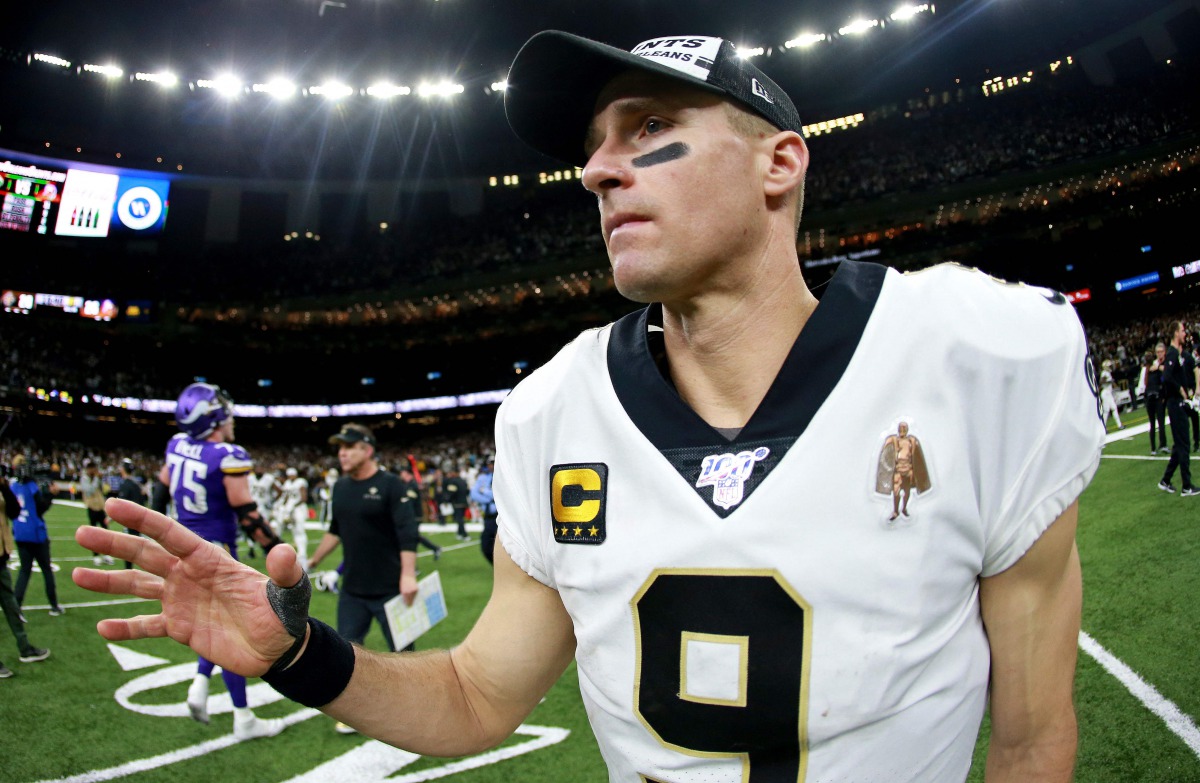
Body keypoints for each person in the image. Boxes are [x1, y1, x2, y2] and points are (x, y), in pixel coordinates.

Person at [76, 31, 1105, 783]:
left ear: (779, 163)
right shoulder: (552, 414)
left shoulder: (972, 355)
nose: (598, 168)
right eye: (596, 143)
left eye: (650, 129)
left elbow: (1027, 740)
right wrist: (301, 656)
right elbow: (479, 698)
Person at [154, 382, 288, 740]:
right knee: (230, 630)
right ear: (214, 418)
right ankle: (242, 718)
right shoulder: (227, 455)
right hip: (216, 550)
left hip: (184, 546)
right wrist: (278, 549)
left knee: (215, 622)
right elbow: (247, 515)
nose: (231, 418)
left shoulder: (176, 445)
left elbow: (162, 486)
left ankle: (200, 684)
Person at [305, 423, 419, 733]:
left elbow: (407, 533)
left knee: (404, 653)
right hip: (353, 588)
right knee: (347, 651)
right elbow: (336, 529)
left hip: (390, 588)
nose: (341, 452)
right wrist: (314, 559)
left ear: (367, 450)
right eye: (340, 447)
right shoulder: (340, 487)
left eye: (349, 446)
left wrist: (408, 575)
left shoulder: (391, 485)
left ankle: (410, 708)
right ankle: (357, 712)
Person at [0, 476, 50, 678]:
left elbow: (14, 512)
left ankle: (24, 647)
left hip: (1, 556)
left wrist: (4, 487)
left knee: (11, 606)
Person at [9, 456, 63, 616]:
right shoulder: (31, 487)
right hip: (36, 534)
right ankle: (54, 605)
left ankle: (16, 606)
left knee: (24, 571)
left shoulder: (13, 487)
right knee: (46, 570)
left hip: (20, 533)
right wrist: (51, 494)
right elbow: (41, 508)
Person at [1157, 322, 1199, 495]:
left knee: (1179, 444)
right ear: (1175, 333)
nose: (1184, 333)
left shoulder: (1178, 353)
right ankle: (1187, 486)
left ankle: (1166, 480)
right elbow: (1166, 377)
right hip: (1175, 404)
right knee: (1183, 444)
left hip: (1178, 403)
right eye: (1182, 331)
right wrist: (1180, 389)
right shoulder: (1172, 353)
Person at [113, 459, 146, 570]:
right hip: (138, 519)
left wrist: (111, 517)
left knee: (128, 548)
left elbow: (122, 504)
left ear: (123, 469)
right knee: (136, 546)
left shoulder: (126, 484)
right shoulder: (136, 484)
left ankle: (129, 571)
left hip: (129, 520)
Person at [80, 459, 114, 566]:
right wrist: (95, 478)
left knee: (106, 532)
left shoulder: (98, 478)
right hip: (92, 508)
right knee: (94, 533)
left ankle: (107, 555)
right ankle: (96, 556)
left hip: (100, 507)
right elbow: (89, 491)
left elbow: (104, 490)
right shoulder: (84, 478)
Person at [274, 467, 310, 562]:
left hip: (299, 508)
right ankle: (298, 551)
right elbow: (286, 496)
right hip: (290, 509)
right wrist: (283, 506)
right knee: (294, 530)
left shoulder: (300, 482)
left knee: (299, 529)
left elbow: (303, 498)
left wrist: (293, 506)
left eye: (292, 474)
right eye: (289, 474)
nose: (291, 476)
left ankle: (302, 553)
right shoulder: (287, 483)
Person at [468, 456, 497, 563]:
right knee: (486, 545)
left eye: (494, 463)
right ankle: (495, 566)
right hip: (489, 516)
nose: (492, 466)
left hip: (501, 516)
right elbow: (474, 494)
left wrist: (484, 492)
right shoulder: (483, 478)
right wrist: (490, 498)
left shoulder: (504, 477)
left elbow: (500, 494)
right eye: (490, 463)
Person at [1139, 346, 1167, 455]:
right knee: (1154, 423)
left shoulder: (1155, 367)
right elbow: (1143, 385)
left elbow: (1162, 380)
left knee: (1159, 422)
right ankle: (1154, 448)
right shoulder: (1145, 370)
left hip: (1156, 397)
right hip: (1151, 398)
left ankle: (1161, 445)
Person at [438, 465, 471, 541]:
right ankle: (459, 533)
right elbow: (467, 491)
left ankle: (465, 535)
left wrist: (446, 500)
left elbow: (451, 492)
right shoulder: (463, 481)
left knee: (459, 519)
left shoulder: (453, 481)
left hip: (457, 503)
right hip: (464, 502)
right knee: (460, 518)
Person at [1098, 359, 1124, 430]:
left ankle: (1118, 425)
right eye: (1109, 366)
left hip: (1107, 393)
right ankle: (1105, 428)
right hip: (1106, 393)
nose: (1111, 367)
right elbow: (1101, 381)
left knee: (1110, 410)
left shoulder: (1107, 373)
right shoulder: (1104, 373)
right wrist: (1109, 381)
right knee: (1110, 410)